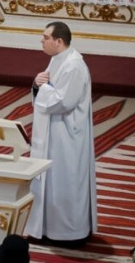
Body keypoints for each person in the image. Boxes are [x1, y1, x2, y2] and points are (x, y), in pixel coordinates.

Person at [27, 21, 96, 247]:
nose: (41, 40)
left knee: (65, 182)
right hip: (52, 133)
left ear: (59, 41)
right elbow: (48, 88)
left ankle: (69, 233)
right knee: (50, 181)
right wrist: (37, 84)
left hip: (67, 137)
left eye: (45, 37)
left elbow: (64, 101)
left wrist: (42, 89)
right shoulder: (58, 59)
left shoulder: (74, 66)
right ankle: (47, 228)